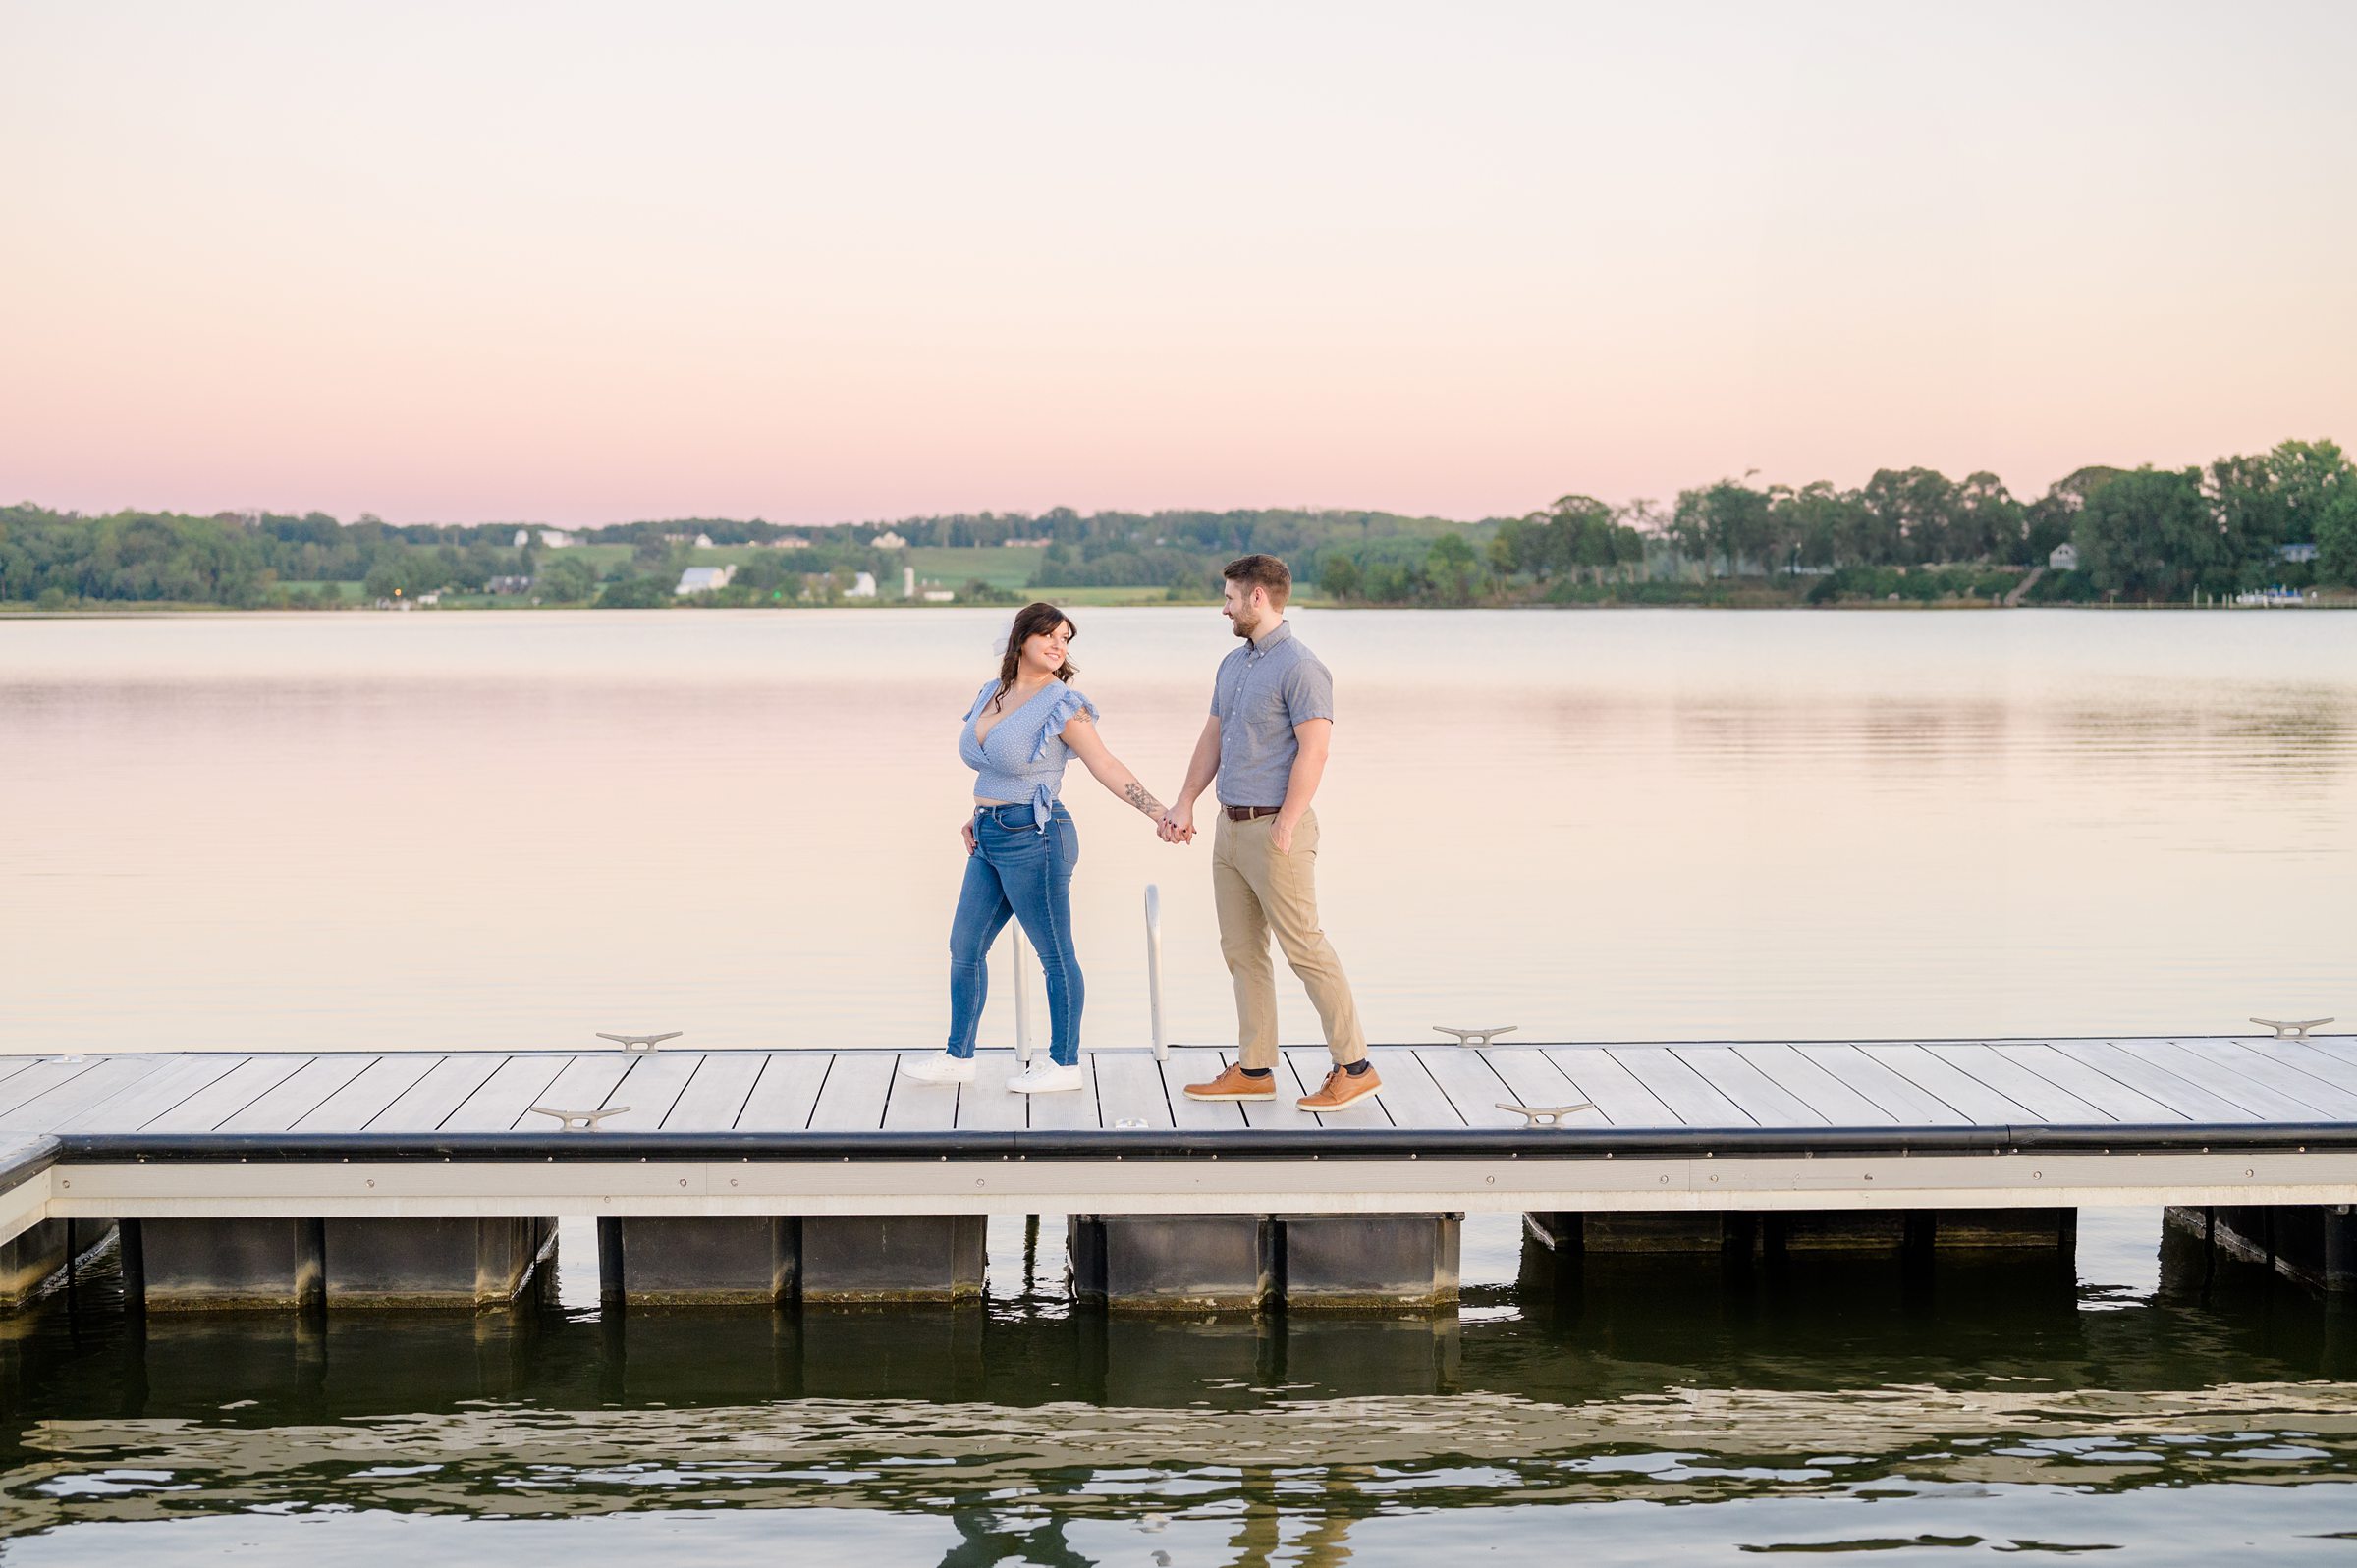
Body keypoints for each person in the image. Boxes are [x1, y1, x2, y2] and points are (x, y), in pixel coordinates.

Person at [904, 602, 1173, 1094]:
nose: (1058, 647)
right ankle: (958, 1056)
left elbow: (1105, 764)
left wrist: (1158, 811)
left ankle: (1064, 1064)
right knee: (964, 947)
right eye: (1049, 636)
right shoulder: (994, 691)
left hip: (1037, 837)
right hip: (987, 834)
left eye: (1065, 640)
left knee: (1054, 954)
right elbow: (997, 766)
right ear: (1021, 638)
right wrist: (980, 812)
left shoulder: (1061, 703)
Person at [1159, 555, 1378, 1110]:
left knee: (1303, 946)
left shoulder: (1302, 667)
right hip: (1228, 830)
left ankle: (1355, 1067)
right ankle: (1255, 1069)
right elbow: (1213, 737)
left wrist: (1285, 823)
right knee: (1241, 951)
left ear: (1258, 597)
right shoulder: (1233, 664)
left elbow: (1316, 748)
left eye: (1230, 596)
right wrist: (1185, 801)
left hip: (1277, 829)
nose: (1223, 606)